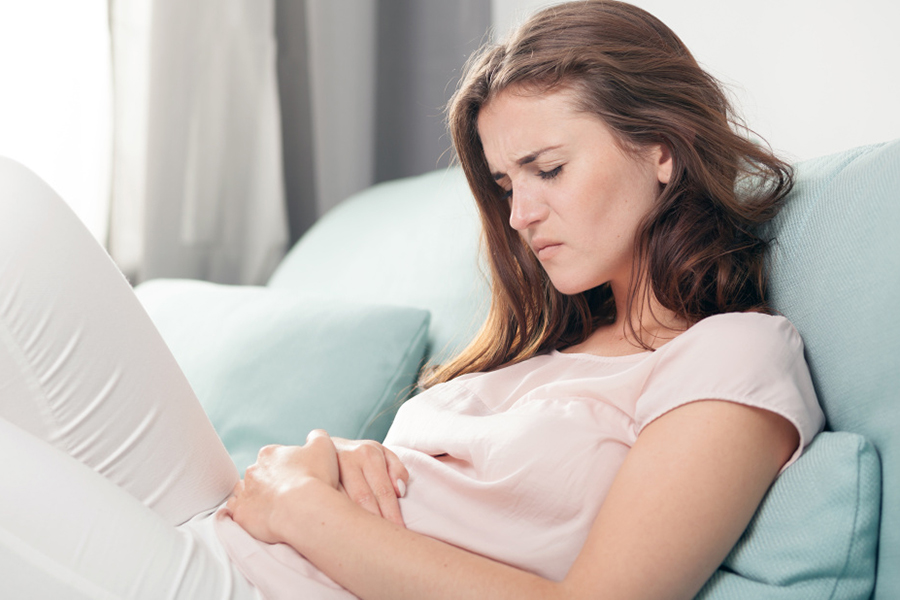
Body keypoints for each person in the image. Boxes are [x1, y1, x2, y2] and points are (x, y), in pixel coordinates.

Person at [0, 1, 823, 598]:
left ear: (661, 152)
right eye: (504, 184)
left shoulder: (731, 355)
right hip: (224, 523)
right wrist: (312, 465)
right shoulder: (541, 351)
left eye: (549, 168)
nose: (520, 213)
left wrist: (301, 510)